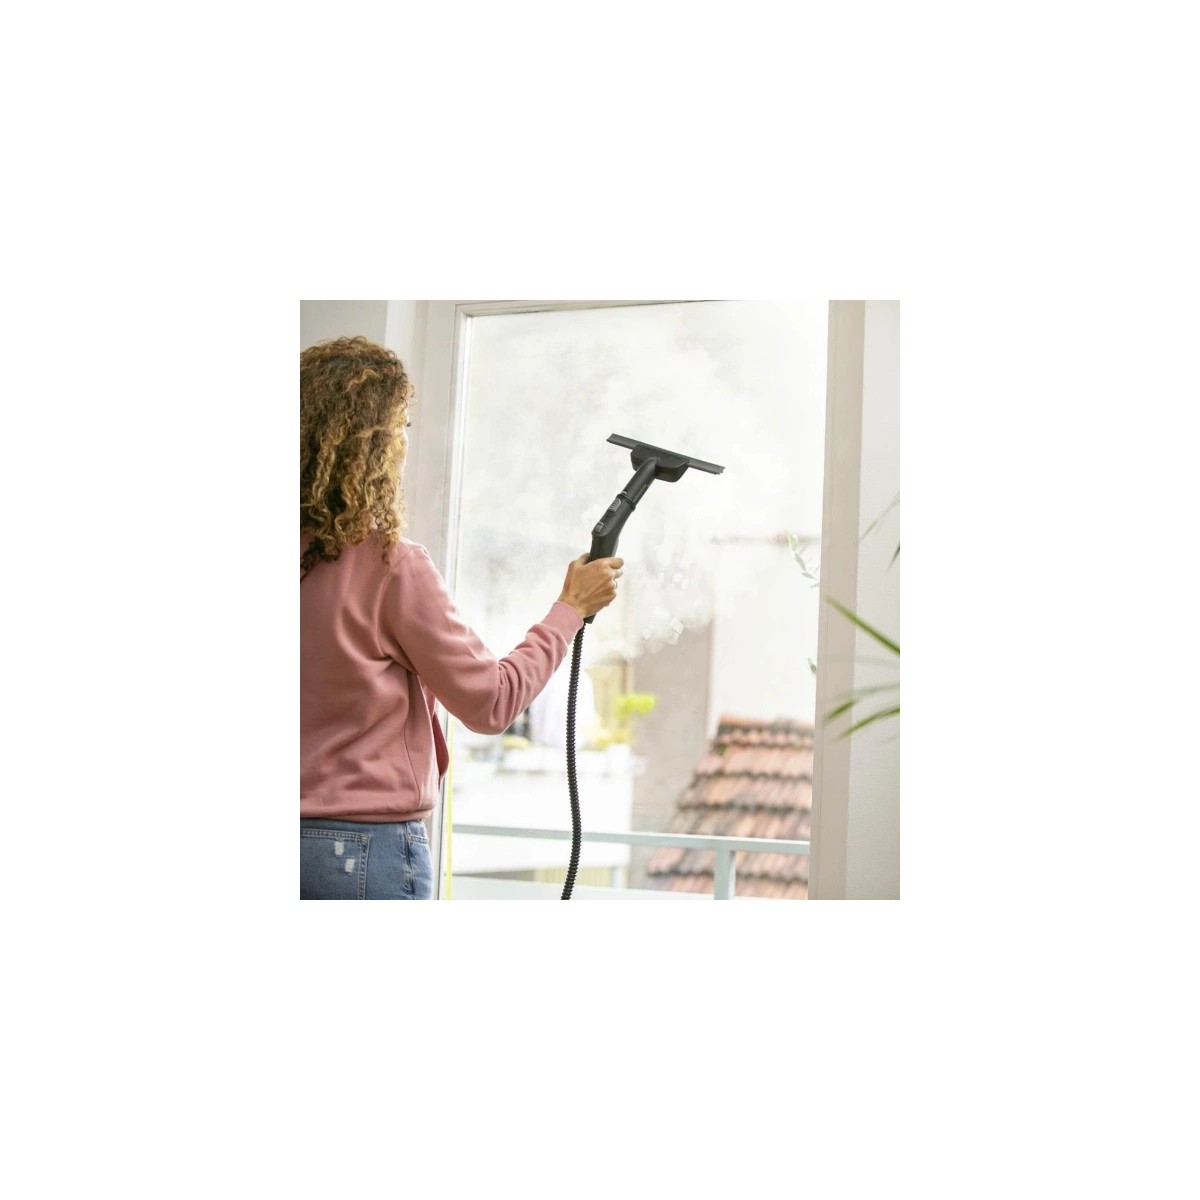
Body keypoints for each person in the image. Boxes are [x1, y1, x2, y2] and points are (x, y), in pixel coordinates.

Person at [300, 336, 623, 899]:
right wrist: (571, 609)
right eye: (400, 426)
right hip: (362, 855)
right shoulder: (389, 566)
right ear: (371, 444)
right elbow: (491, 703)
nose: (405, 441)